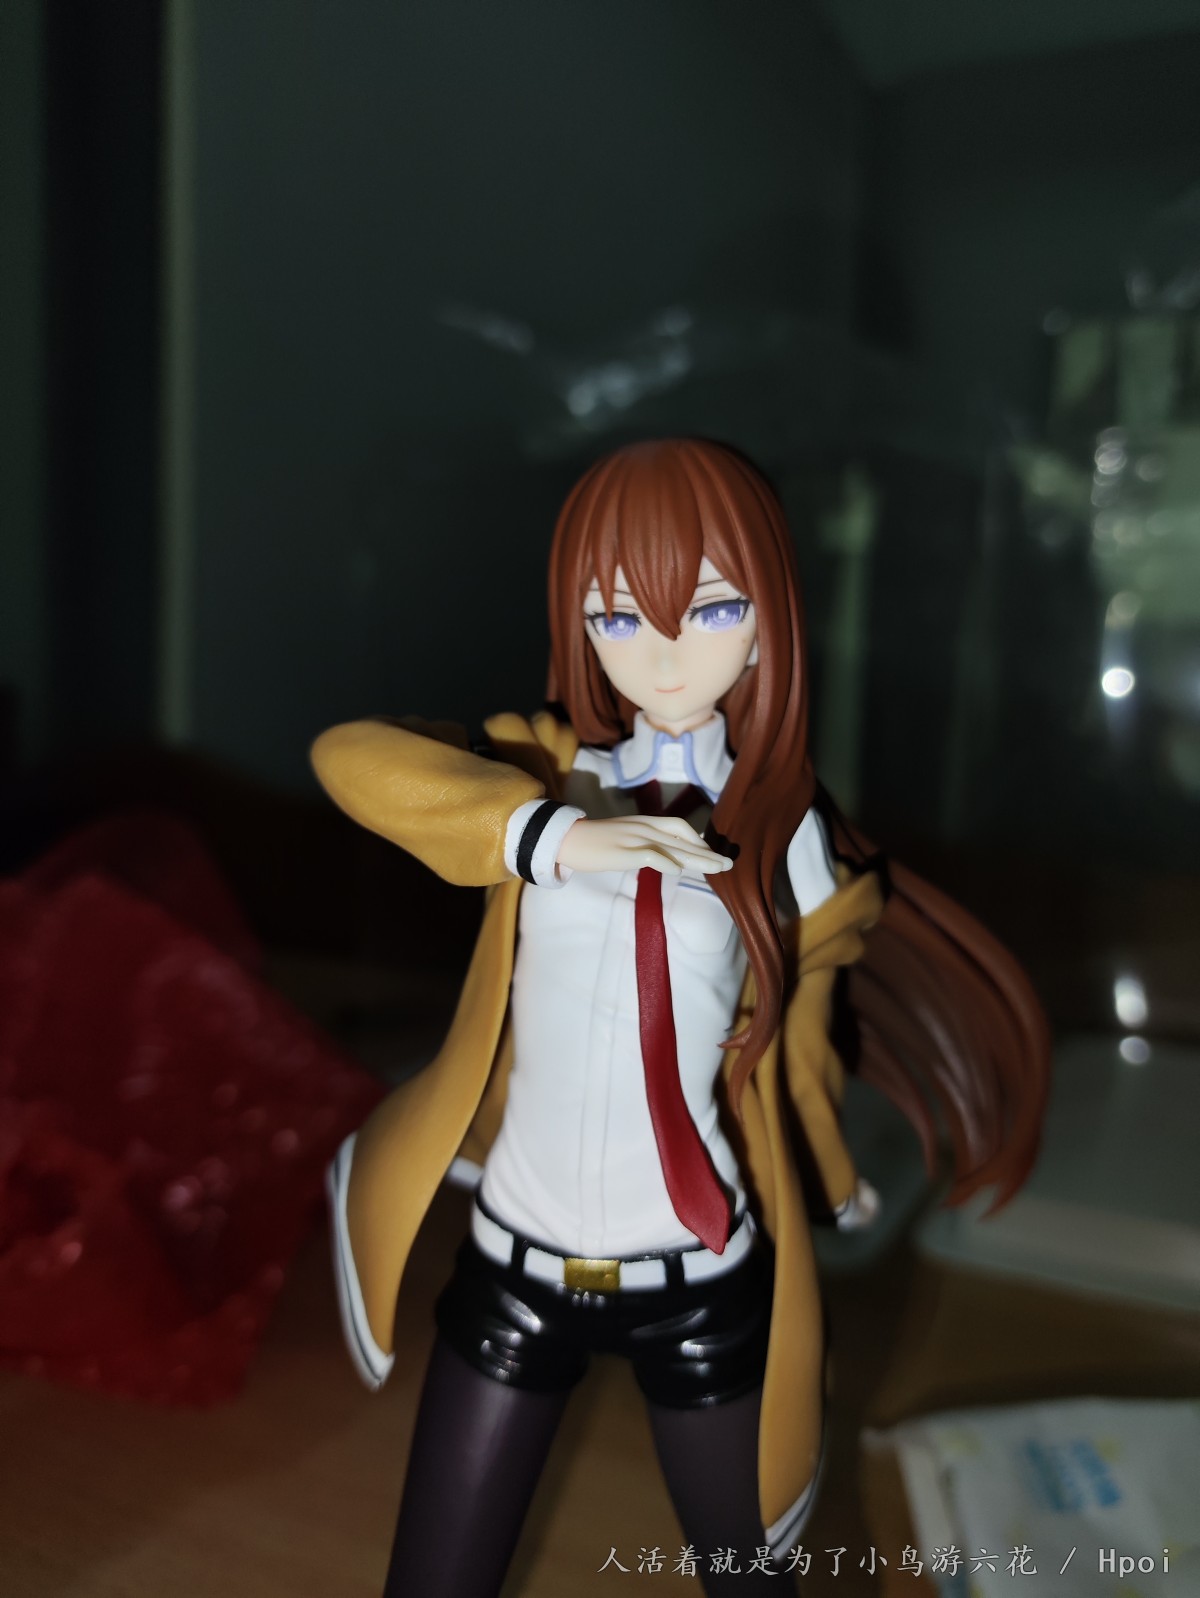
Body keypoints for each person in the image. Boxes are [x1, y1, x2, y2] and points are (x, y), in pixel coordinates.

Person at [311, 438, 1050, 1597]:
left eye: (709, 607)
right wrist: (552, 836)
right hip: (514, 1265)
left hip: (702, 1281)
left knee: (750, 1577)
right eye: (617, 614)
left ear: (769, 620)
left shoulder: (788, 835)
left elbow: (799, 1044)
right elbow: (349, 758)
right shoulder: (541, 771)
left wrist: (826, 1170)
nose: (661, 653)